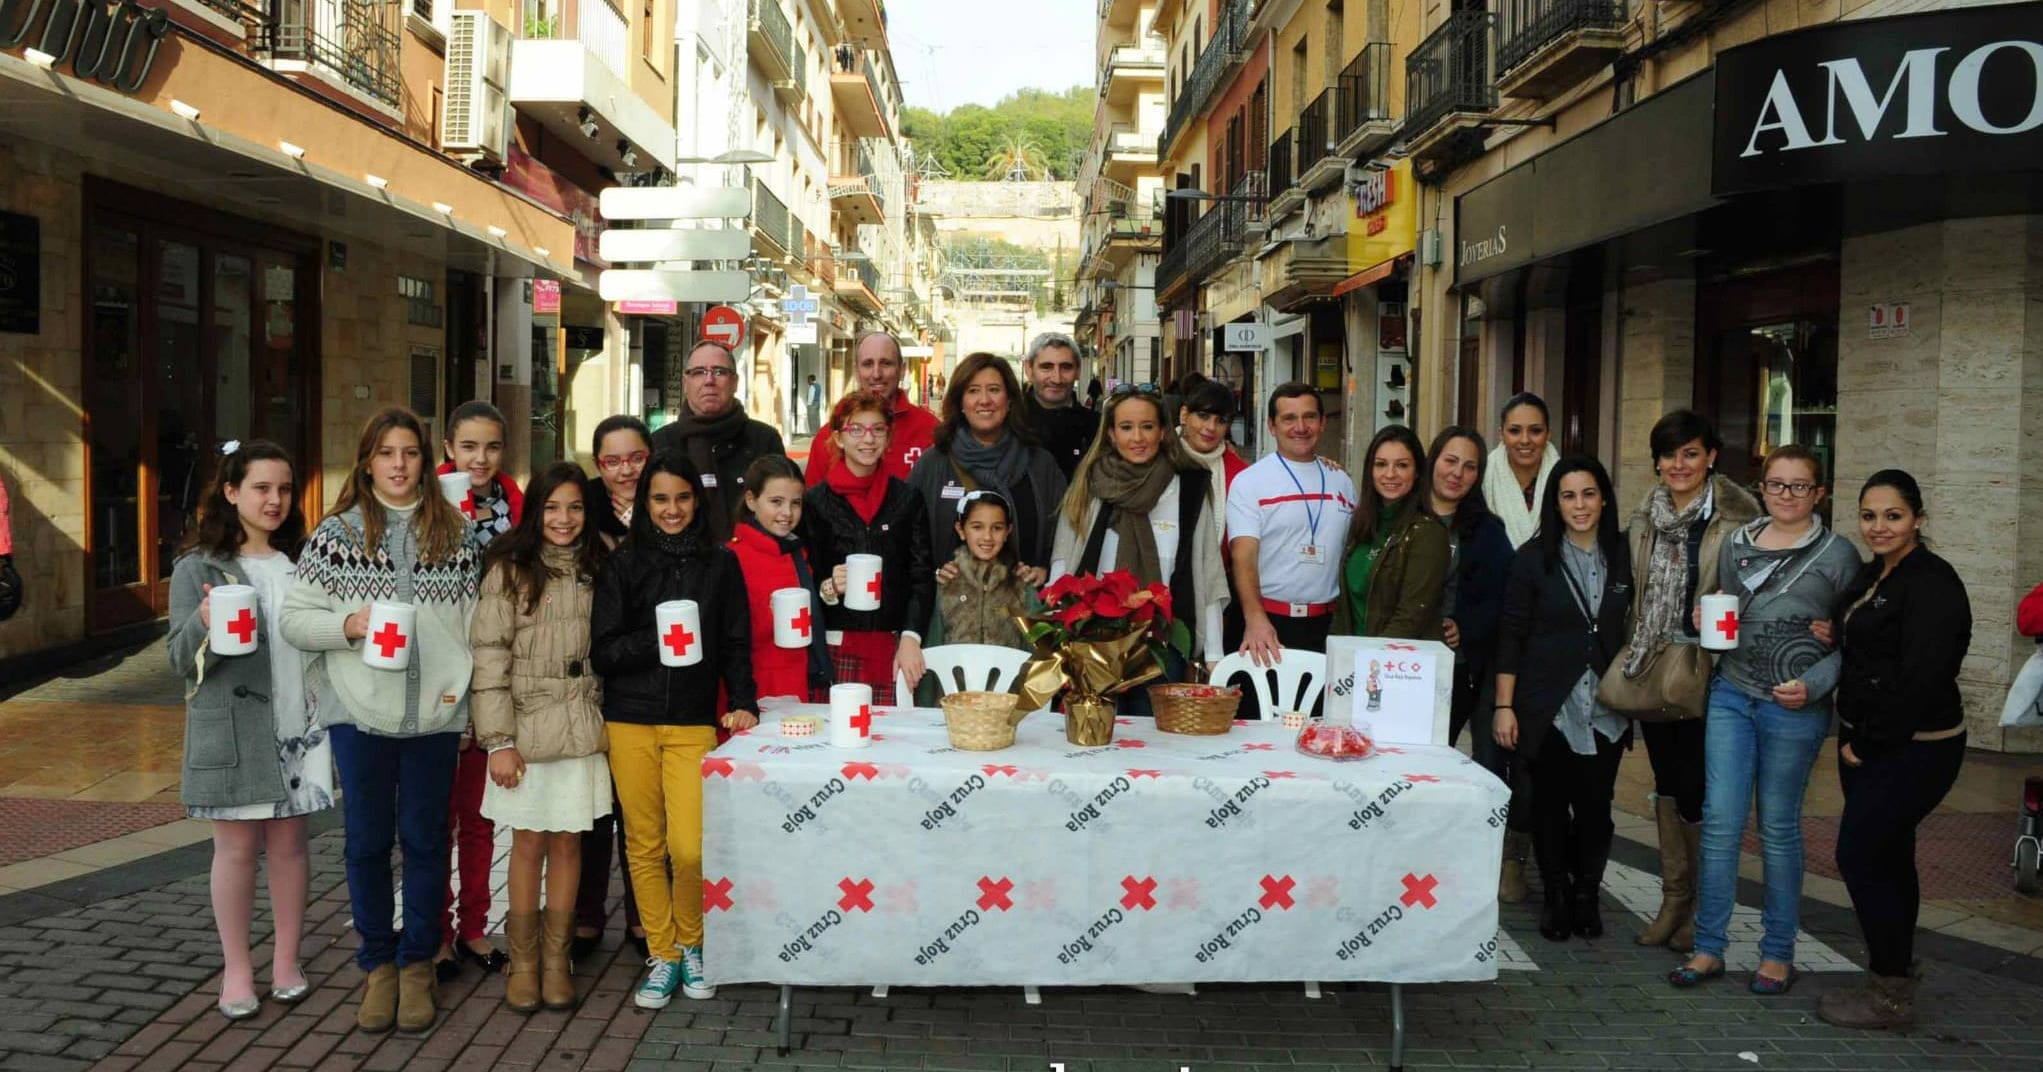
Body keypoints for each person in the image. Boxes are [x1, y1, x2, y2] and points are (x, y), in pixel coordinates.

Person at [281, 407, 482, 1034]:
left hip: (435, 717)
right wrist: (348, 624)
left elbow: (475, 627)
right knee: (366, 842)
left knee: (426, 841)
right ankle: (377, 964)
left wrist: (466, 706)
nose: (399, 465)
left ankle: (417, 962)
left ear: (426, 461)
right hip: (358, 714)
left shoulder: (457, 534)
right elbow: (294, 619)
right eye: (386, 453)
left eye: (410, 453)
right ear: (367, 461)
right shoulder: (336, 535)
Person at [1670, 445, 1861, 995]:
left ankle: (1778, 954)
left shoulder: (1839, 555)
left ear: (1819, 493)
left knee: (1777, 827)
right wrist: (1704, 617)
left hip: (1795, 706)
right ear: (1762, 488)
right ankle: (1709, 947)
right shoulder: (1737, 543)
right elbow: (1723, 610)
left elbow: (1855, 642)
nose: (1786, 495)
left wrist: (1816, 684)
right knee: (1720, 821)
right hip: (1732, 694)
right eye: (1776, 484)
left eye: (1799, 486)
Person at [589, 452, 758, 1009]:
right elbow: (604, 651)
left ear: (698, 501)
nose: (672, 509)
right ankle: (663, 953)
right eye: (660, 498)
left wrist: (743, 700)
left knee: (689, 848)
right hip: (630, 719)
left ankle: (693, 942)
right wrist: (657, 638)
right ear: (645, 502)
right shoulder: (624, 562)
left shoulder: (721, 563)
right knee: (644, 844)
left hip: (691, 720)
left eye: (682, 497)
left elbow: (735, 641)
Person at [168, 439, 326, 1021]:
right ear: (231, 492)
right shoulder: (198, 568)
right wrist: (203, 621)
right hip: (235, 728)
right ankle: (236, 968)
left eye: (284, 489)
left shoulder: (306, 562)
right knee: (234, 850)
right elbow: (177, 660)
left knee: (290, 845)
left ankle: (286, 961)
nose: (274, 500)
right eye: (261, 488)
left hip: (299, 724)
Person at [1817, 470, 1971, 1030]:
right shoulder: (1877, 572)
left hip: (1914, 748)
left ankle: (1890, 996)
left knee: (1860, 856)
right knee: (1889, 857)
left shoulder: (1933, 582)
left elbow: (1923, 677)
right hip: (1873, 739)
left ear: (1918, 519)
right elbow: (1875, 639)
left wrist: (1868, 743)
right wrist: (1836, 631)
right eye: (1869, 515)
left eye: (1893, 516)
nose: (1878, 526)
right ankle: (1895, 975)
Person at [469, 462, 612, 1013]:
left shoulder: (602, 562)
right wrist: (498, 740)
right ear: (535, 511)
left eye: (575, 507)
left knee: (570, 841)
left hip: (582, 726)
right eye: (552, 507)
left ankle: (557, 960)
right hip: (526, 732)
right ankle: (524, 962)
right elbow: (489, 657)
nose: (564, 518)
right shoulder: (509, 568)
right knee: (528, 843)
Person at [1624, 409, 1759, 954]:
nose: (1679, 464)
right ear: (1657, 461)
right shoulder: (1643, 518)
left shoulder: (1739, 519)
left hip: (1711, 671)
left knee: (1699, 787)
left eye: (1690, 453)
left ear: (1711, 457)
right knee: (1668, 781)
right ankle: (1675, 898)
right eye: (1669, 454)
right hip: (1655, 666)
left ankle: (1700, 906)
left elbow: (1754, 593)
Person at [1493, 456, 1633, 943]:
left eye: (1589, 494)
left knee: (1595, 808)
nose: (1580, 505)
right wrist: (1504, 706)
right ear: (1555, 503)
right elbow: (1512, 634)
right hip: (1546, 706)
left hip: (1607, 705)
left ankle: (1585, 894)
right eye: (1568, 496)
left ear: (1604, 499)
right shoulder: (1532, 559)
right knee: (1550, 807)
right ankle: (1555, 894)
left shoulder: (1625, 555)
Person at [1049, 384, 1229, 684]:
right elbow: (1063, 561)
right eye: (1126, 427)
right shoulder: (1090, 485)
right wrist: (1057, 629)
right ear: (1111, 434)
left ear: (1163, 432)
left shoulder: (1190, 488)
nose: (1137, 438)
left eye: (1147, 426)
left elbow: (1207, 571)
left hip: (1164, 645)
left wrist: (1214, 654)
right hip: (1095, 641)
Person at [433, 401, 517, 982]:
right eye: (468, 447)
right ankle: (437, 932)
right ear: (448, 448)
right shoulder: (425, 501)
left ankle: (474, 926)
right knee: (436, 820)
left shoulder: (516, 503)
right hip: (439, 679)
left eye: (490, 447)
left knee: (481, 815)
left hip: (492, 675)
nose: (479, 459)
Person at [1421, 427, 1521, 900]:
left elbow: (1505, 600)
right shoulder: (1405, 515)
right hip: (1411, 669)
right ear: (1433, 460)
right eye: (1450, 460)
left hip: (1468, 669)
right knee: (1420, 767)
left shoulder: (1488, 530)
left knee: (1482, 769)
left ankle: (1482, 863)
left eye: (1469, 466)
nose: (1457, 473)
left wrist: (1468, 625)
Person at [574, 414, 649, 960]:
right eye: (613, 461)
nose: (626, 471)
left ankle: (645, 915)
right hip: (587, 669)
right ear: (598, 465)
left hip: (646, 671)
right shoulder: (582, 508)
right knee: (593, 804)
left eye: (636, 458)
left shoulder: (669, 501)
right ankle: (587, 914)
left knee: (640, 806)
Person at [803, 392, 933, 704]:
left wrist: (911, 637)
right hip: (836, 640)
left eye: (878, 429)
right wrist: (829, 587)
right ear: (838, 437)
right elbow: (806, 576)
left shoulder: (907, 499)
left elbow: (921, 575)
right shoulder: (815, 502)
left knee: (891, 732)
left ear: (889, 437)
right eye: (856, 429)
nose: (868, 439)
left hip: (893, 643)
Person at [1227, 383, 1358, 679]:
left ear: (1323, 423)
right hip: (1268, 626)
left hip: (1329, 626)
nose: (1300, 427)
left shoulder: (1341, 481)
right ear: (1272, 426)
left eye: (1309, 417)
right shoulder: (1250, 482)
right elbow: (1243, 556)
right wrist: (1255, 618)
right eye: (1289, 418)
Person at [907, 352, 1067, 575]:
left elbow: (1064, 536)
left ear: (1009, 400)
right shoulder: (933, 464)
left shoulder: (1040, 464)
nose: (984, 400)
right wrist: (932, 574)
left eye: (994, 389)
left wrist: (1045, 569)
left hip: (1021, 595)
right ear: (960, 401)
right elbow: (907, 540)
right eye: (973, 391)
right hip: (951, 596)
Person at [649, 341, 786, 541]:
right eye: (699, 372)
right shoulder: (661, 443)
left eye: (719, 372)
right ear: (685, 383)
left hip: (749, 555)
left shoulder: (764, 440)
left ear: (735, 382)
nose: (709, 380)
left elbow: (783, 509)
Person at [731, 455, 834, 702]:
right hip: (759, 686)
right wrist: (769, 615)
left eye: (795, 503)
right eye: (776, 502)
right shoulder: (733, 557)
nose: (787, 513)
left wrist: (829, 591)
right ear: (751, 500)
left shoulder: (797, 550)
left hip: (803, 678)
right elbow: (729, 634)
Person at [1338, 425, 1449, 639]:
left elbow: (1409, 618)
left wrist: (1370, 656)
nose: (1390, 474)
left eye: (1402, 465)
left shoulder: (1428, 533)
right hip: (1353, 653)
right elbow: (1344, 608)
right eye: (1381, 464)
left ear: (1417, 472)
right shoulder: (1361, 523)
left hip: (1396, 657)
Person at [802, 332, 939, 484]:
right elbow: (812, 496)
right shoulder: (828, 437)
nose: (876, 374)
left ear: (901, 370)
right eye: (868, 364)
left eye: (886, 363)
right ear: (857, 372)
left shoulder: (931, 429)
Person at [935, 491, 1034, 650]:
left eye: (997, 528)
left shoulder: (1021, 582)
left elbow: (1037, 647)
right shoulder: (947, 580)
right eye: (977, 527)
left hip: (1010, 666)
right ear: (961, 530)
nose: (987, 536)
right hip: (954, 666)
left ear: (1008, 531)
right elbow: (932, 644)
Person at [1483, 393, 1559, 549]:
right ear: (1501, 434)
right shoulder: (1483, 477)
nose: (1525, 440)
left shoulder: (1564, 479)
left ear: (1548, 434)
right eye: (1514, 431)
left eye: (1535, 431)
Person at [1022, 332, 1098, 478]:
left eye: (1066, 367)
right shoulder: (1010, 424)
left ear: (1078, 371)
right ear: (1029, 369)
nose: (1057, 379)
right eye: (1046, 367)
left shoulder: (1098, 427)